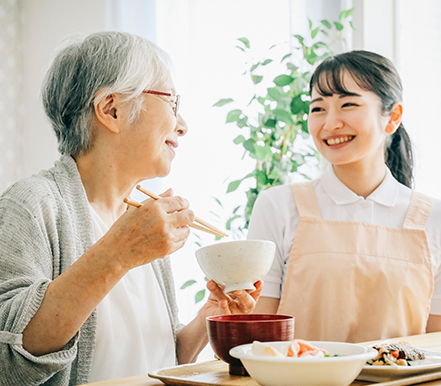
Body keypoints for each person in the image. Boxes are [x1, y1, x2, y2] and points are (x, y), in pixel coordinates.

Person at [0, 32, 262, 386]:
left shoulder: (140, 220)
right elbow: (8, 361)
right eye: (171, 102)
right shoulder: (32, 204)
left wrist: (208, 319)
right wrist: (119, 253)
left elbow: (157, 361)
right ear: (112, 109)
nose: (182, 125)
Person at [248, 50, 441, 343]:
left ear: (393, 117)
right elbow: (257, 338)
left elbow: (436, 345)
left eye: (348, 104)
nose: (330, 123)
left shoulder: (433, 218)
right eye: (318, 108)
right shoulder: (277, 206)